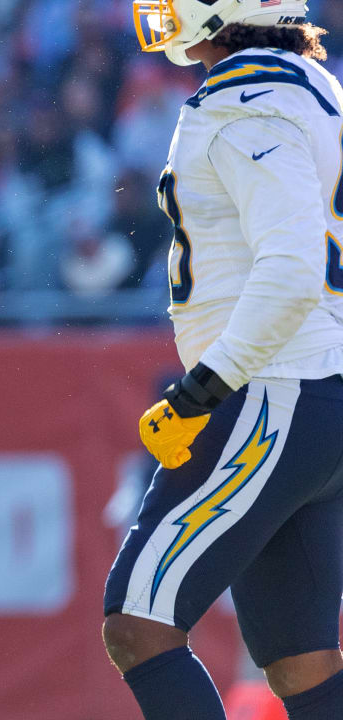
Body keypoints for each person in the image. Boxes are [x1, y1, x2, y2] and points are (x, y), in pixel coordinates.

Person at [103, 2, 343, 719]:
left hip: (274, 392)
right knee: (303, 666)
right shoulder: (314, 87)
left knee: (137, 624)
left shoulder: (247, 103)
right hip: (314, 391)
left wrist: (202, 390)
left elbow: (293, 269)